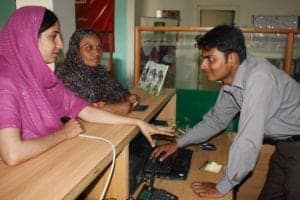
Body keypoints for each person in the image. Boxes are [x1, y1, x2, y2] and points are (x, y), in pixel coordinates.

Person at [0, 6, 173, 166]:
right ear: (27, 38)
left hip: (47, 160)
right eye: (53, 36)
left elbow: (85, 110)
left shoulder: (43, 79)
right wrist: (63, 134)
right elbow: (13, 154)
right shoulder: (5, 84)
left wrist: (138, 122)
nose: (60, 45)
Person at [151, 25, 300, 199]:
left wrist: (223, 186)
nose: (203, 65)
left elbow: (248, 139)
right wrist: (178, 143)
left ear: (232, 59)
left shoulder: (259, 79)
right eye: (203, 59)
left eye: (210, 59)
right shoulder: (234, 82)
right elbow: (216, 120)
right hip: (286, 145)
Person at [55, 29, 139, 115]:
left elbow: (116, 90)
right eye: (88, 48)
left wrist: (128, 97)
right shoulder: (65, 74)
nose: (96, 53)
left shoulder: (99, 71)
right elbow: (76, 110)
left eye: (99, 47)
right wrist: (111, 109)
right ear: (76, 51)